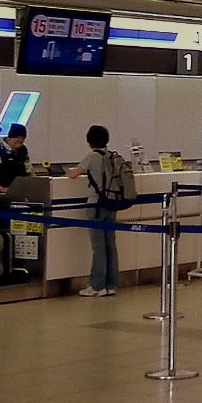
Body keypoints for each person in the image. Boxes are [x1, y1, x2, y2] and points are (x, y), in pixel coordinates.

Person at [66, 125, 121, 297]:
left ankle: (97, 286)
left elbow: (73, 175)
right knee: (110, 245)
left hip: (96, 204)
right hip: (112, 204)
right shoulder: (112, 156)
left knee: (98, 247)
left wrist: (66, 171)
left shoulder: (92, 157)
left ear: (89, 141)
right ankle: (110, 285)